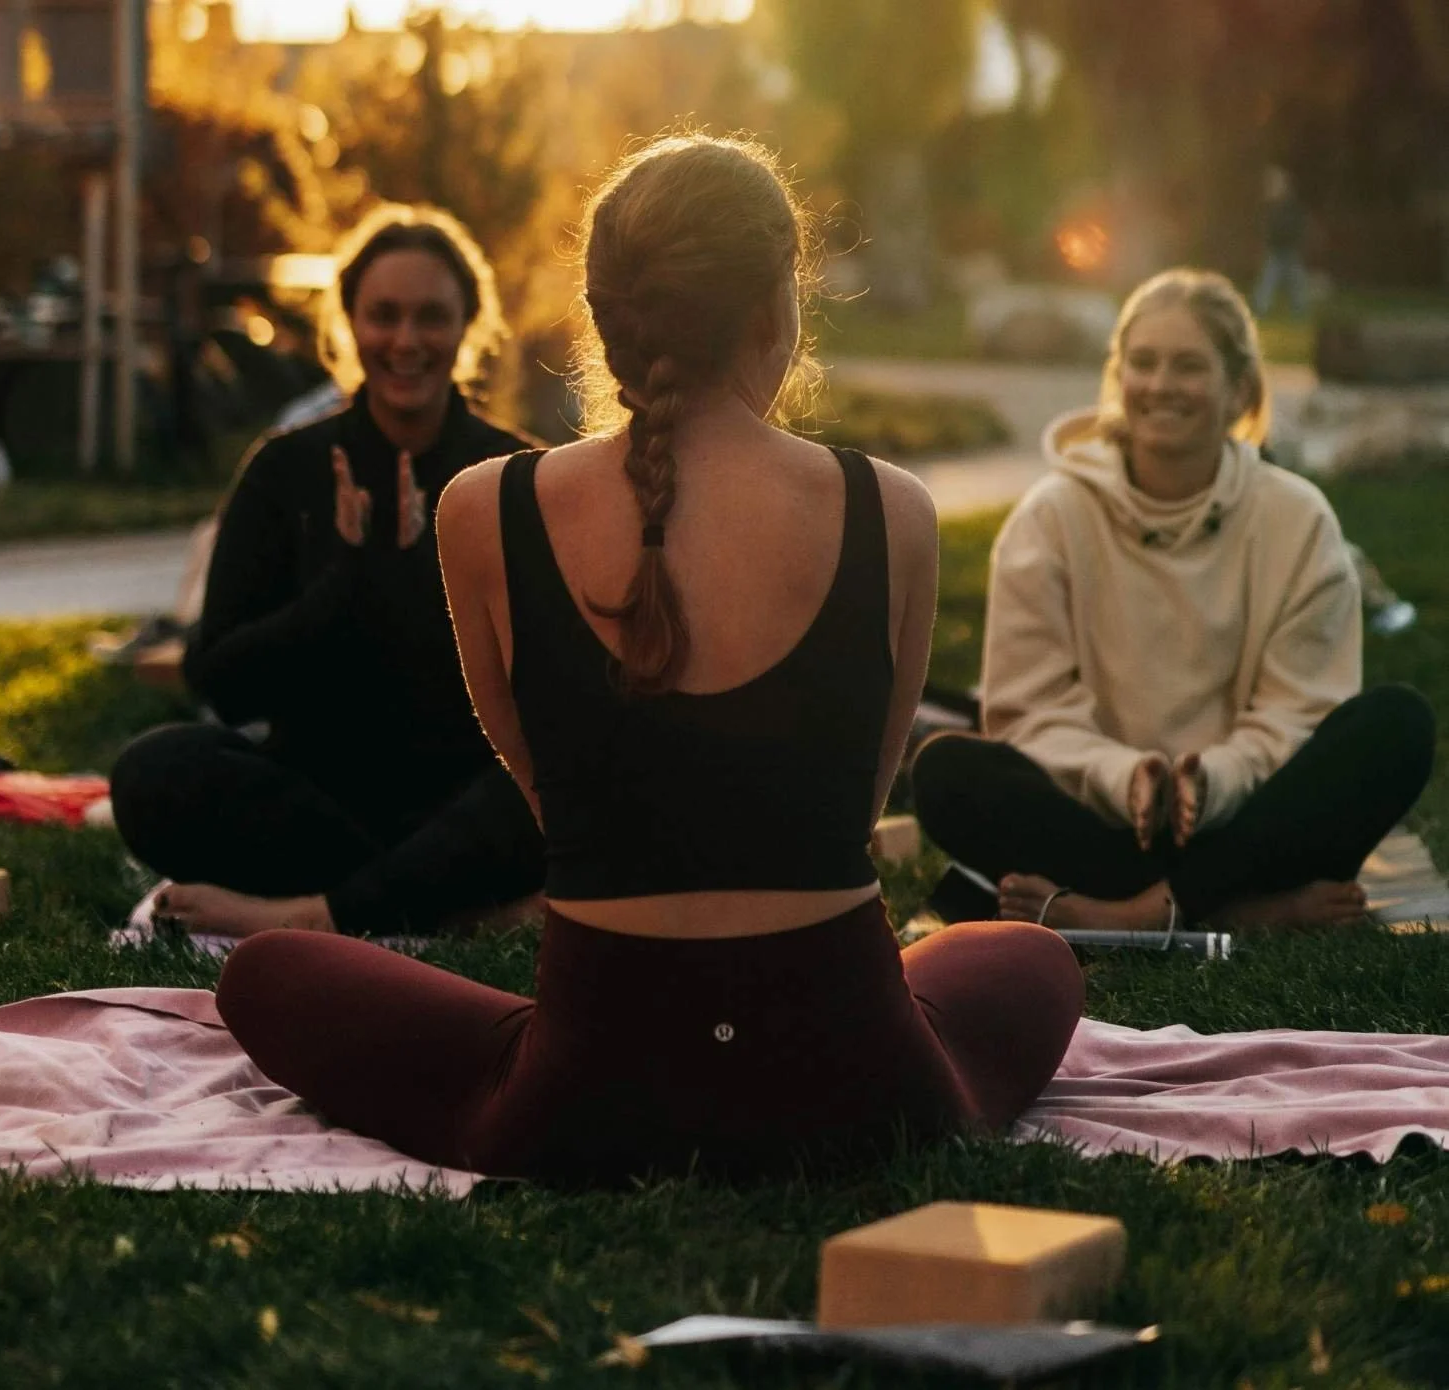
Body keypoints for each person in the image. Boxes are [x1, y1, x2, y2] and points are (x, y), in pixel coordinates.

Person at [211, 134, 1084, 1184]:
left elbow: (555, 806)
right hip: (862, 1080)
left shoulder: (484, 509)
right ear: (775, 310)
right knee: (1026, 953)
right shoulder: (892, 510)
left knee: (266, 974)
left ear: (605, 315)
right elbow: (850, 811)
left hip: (588, 1090)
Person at [912, 268, 1435, 936]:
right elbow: (1029, 710)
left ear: (1239, 389)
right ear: (1118, 378)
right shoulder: (1049, 519)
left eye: (1188, 366)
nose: (1161, 385)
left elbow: (1301, 709)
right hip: (1100, 818)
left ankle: (1142, 912)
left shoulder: (1298, 520)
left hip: (1252, 811)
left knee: (1396, 725)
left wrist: (1213, 780)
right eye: (1144, 363)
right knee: (947, 772)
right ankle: (1239, 908)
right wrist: (1125, 778)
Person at [109, 206, 545, 939]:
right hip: (319, 800)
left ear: (469, 325)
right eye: (384, 316)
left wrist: (415, 581)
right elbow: (218, 677)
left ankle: (325, 913)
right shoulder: (285, 471)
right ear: (349, 323)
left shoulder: (518, 476)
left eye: (431, 317)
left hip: (461, 795)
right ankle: (442, 902)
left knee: (563, 780)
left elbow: (542, 695)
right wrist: (344, 584)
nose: (406, 341)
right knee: (152, 772)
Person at [1253, 167, 1310, 319]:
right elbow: (1270, 228)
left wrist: (1295, 240)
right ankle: (1261, 308)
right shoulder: (1273, 207)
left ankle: (1299, 310)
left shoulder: (1289, 206)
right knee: (1269, 280)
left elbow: (1297, 225)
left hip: (1289, 248)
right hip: (1277, 249)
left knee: (1296, 282)